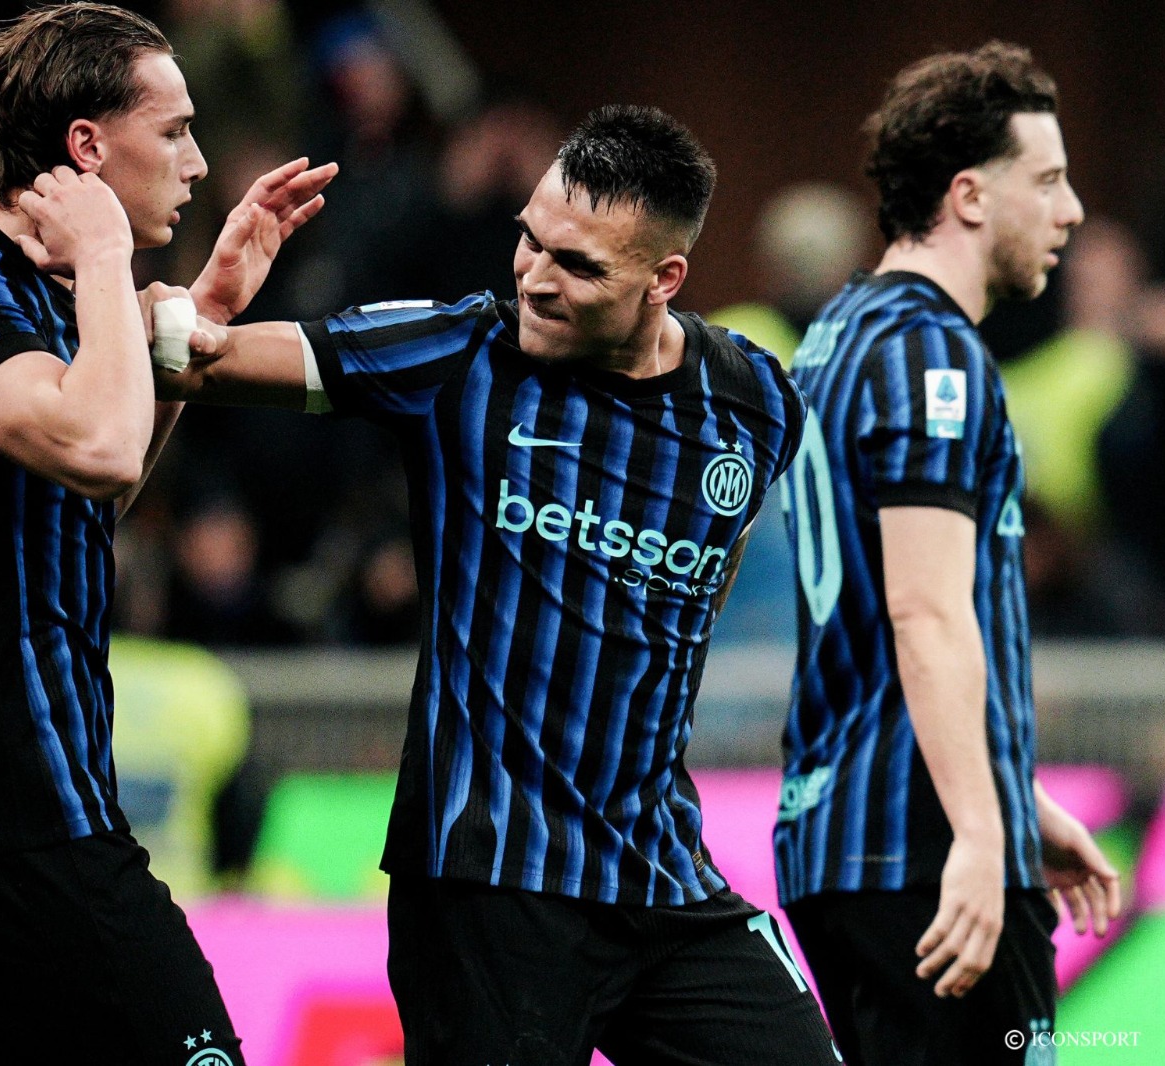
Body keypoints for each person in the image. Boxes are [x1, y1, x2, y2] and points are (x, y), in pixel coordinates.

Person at [143, 104, 838, 1065]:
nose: (536, 279)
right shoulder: (457, 355)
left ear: (664, 280)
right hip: (487, 886)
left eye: (578, 265)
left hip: (662, 874)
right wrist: (210, 300)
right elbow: (191, 363)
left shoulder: (755, 403)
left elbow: (703, 578)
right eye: (530, 241)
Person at [0, 4, 333, 1063]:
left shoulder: (37, 301)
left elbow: (87, 500)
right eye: (175, 131)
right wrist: (107, 256)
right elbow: (99, 448)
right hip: (12, 825)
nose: (198, 163)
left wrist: (203, 310)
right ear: (86, 147)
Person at [772, 42, 1122, 1065]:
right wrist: (979, 829)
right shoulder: (934, 355)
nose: (1070, 212)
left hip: (845, 841)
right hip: (923, 851)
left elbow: (879, 614)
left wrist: (1015, 796)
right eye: (1046, 181)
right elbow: (923, 612)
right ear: (969, 196)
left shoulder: (837, 337)